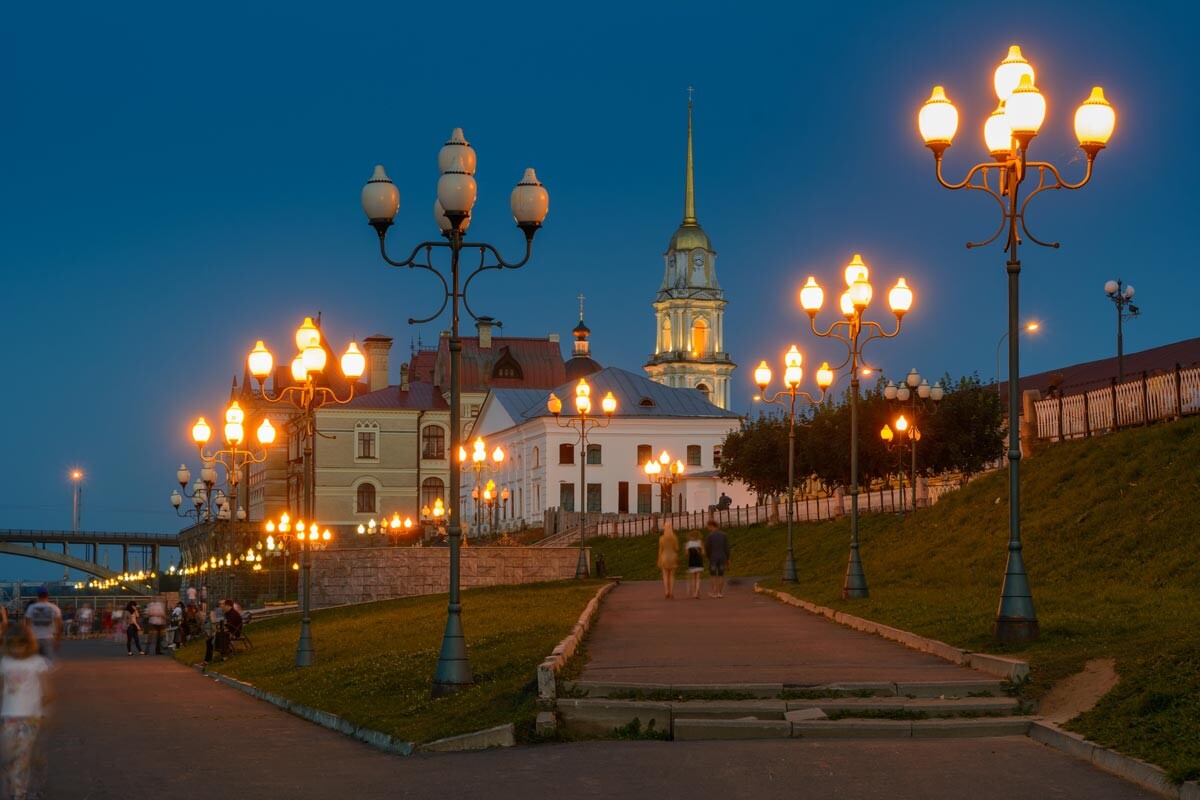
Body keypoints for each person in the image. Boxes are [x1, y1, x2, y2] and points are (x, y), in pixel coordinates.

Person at [1, 626, 51, 800]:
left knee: (21, 756)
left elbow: (47, 690)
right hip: (8, 716)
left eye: (20, 644)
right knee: (8, 756)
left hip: (30, 717)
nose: (16, 649)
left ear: (28, 644)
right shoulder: (4, 662)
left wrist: (43, 711)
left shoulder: (37, 662)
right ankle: (15, 786)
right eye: (12, 645)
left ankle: (19, 793)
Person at [23, 590, 62, 660]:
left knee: (35, 660)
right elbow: (59, 625)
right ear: (48, 596)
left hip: (34, 637)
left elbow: (26, 624)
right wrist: (57, 639)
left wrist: (27, 637)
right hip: (49, 637)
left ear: (37, 596)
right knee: (48, 661)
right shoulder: (54, 608)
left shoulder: (31, 607)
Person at [203, 599, 242, 665]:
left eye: (223, 605)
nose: (222, 607)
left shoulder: (233, 614)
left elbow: (229, 627)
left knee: (214, 639)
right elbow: (227, 626)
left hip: (232, 634)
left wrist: (218, 631)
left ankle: (223, 655)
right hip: (228, 633)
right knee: (210, 641)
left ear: (227, 606)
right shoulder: (229, 613)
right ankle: (208, 660)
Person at [704, 519, 731, 598]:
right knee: (721, 575)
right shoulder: (724, 535)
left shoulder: (710, 536)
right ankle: (720, 593)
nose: (708, 528)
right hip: (722, 557)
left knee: (713, 575)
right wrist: (727, 558)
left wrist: (708, 556)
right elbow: (726, 548)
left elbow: (707, 548)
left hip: (713, 557)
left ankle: (714, 592)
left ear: (711, 526)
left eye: (708, 526)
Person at [656, 521, 679, 599]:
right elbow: (676, 548)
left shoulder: (661, 538)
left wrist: (659, 559)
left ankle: (666, 591)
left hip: (664, 558)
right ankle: (671, 592)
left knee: (665, 576)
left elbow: (660, 550)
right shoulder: (674, 537)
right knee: (672, 576)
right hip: (672, 558)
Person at [684, 530, 705, 599]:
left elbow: (687, 554)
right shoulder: (699, 542)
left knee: (693, 578)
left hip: (692, 562)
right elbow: (702, 553)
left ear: (690, 537)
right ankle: (697, 592)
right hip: (699, 561)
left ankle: (694, 593)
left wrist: (686, 548)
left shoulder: (688, 544)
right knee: (698, 578)